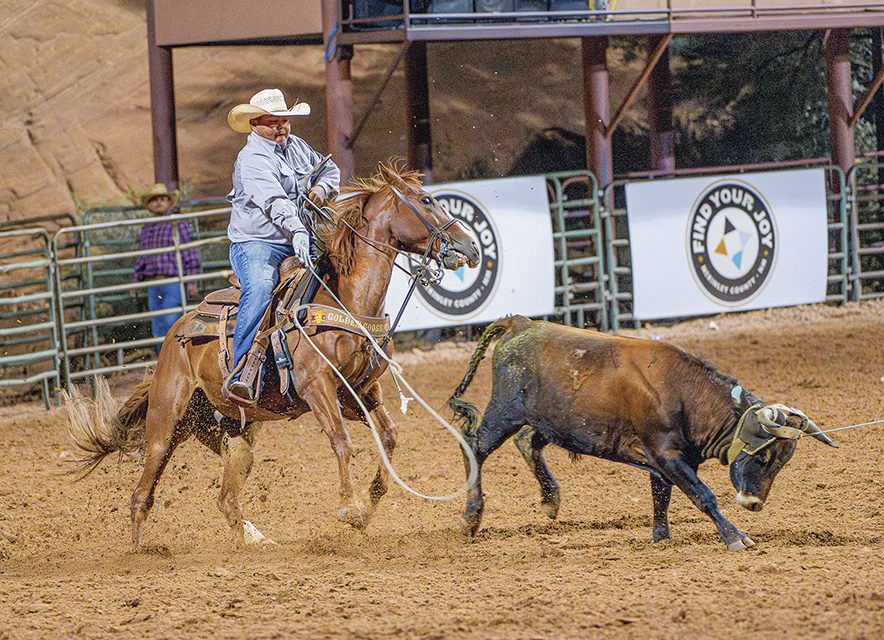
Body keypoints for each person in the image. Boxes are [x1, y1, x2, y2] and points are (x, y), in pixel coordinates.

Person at [224, 88, 340, 404]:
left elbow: (330, 170)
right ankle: (244, 371)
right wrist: (299, 231)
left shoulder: (297, 147)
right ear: (255, 124)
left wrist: (320, 188)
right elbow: (274, 202)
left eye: (284, 121)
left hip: (297, 238)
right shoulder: (251, 160)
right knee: (261, 287)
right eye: (272, 122)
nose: (281, 128)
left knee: (338, 276)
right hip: (257, 244)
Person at [132, 183, 201, 352]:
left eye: (163, 199)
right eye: (154, 200)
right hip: (154, 283)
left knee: (171, 322)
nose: (159, 203)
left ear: (170, 202)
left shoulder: (177, 224)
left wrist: (191, 280)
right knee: (158, 325)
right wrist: (136, 279)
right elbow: (144, 256)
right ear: (149, 205)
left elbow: (189, 253)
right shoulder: (147, 229)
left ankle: (176, 359)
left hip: (173, 281)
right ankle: (163, 361)